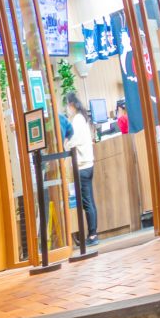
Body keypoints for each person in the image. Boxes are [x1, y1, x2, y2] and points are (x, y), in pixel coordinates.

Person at [63, 93, 100, 246]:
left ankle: (92, 235)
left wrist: (65, 144)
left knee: (87, 202)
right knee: (89, 200)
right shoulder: (82, 118)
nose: (66, 109)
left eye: (67, 105)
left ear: (71, 104)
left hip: (83, 165)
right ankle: (93, 233)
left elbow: (74, 140)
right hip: (88, 163)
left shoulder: (77, 119)